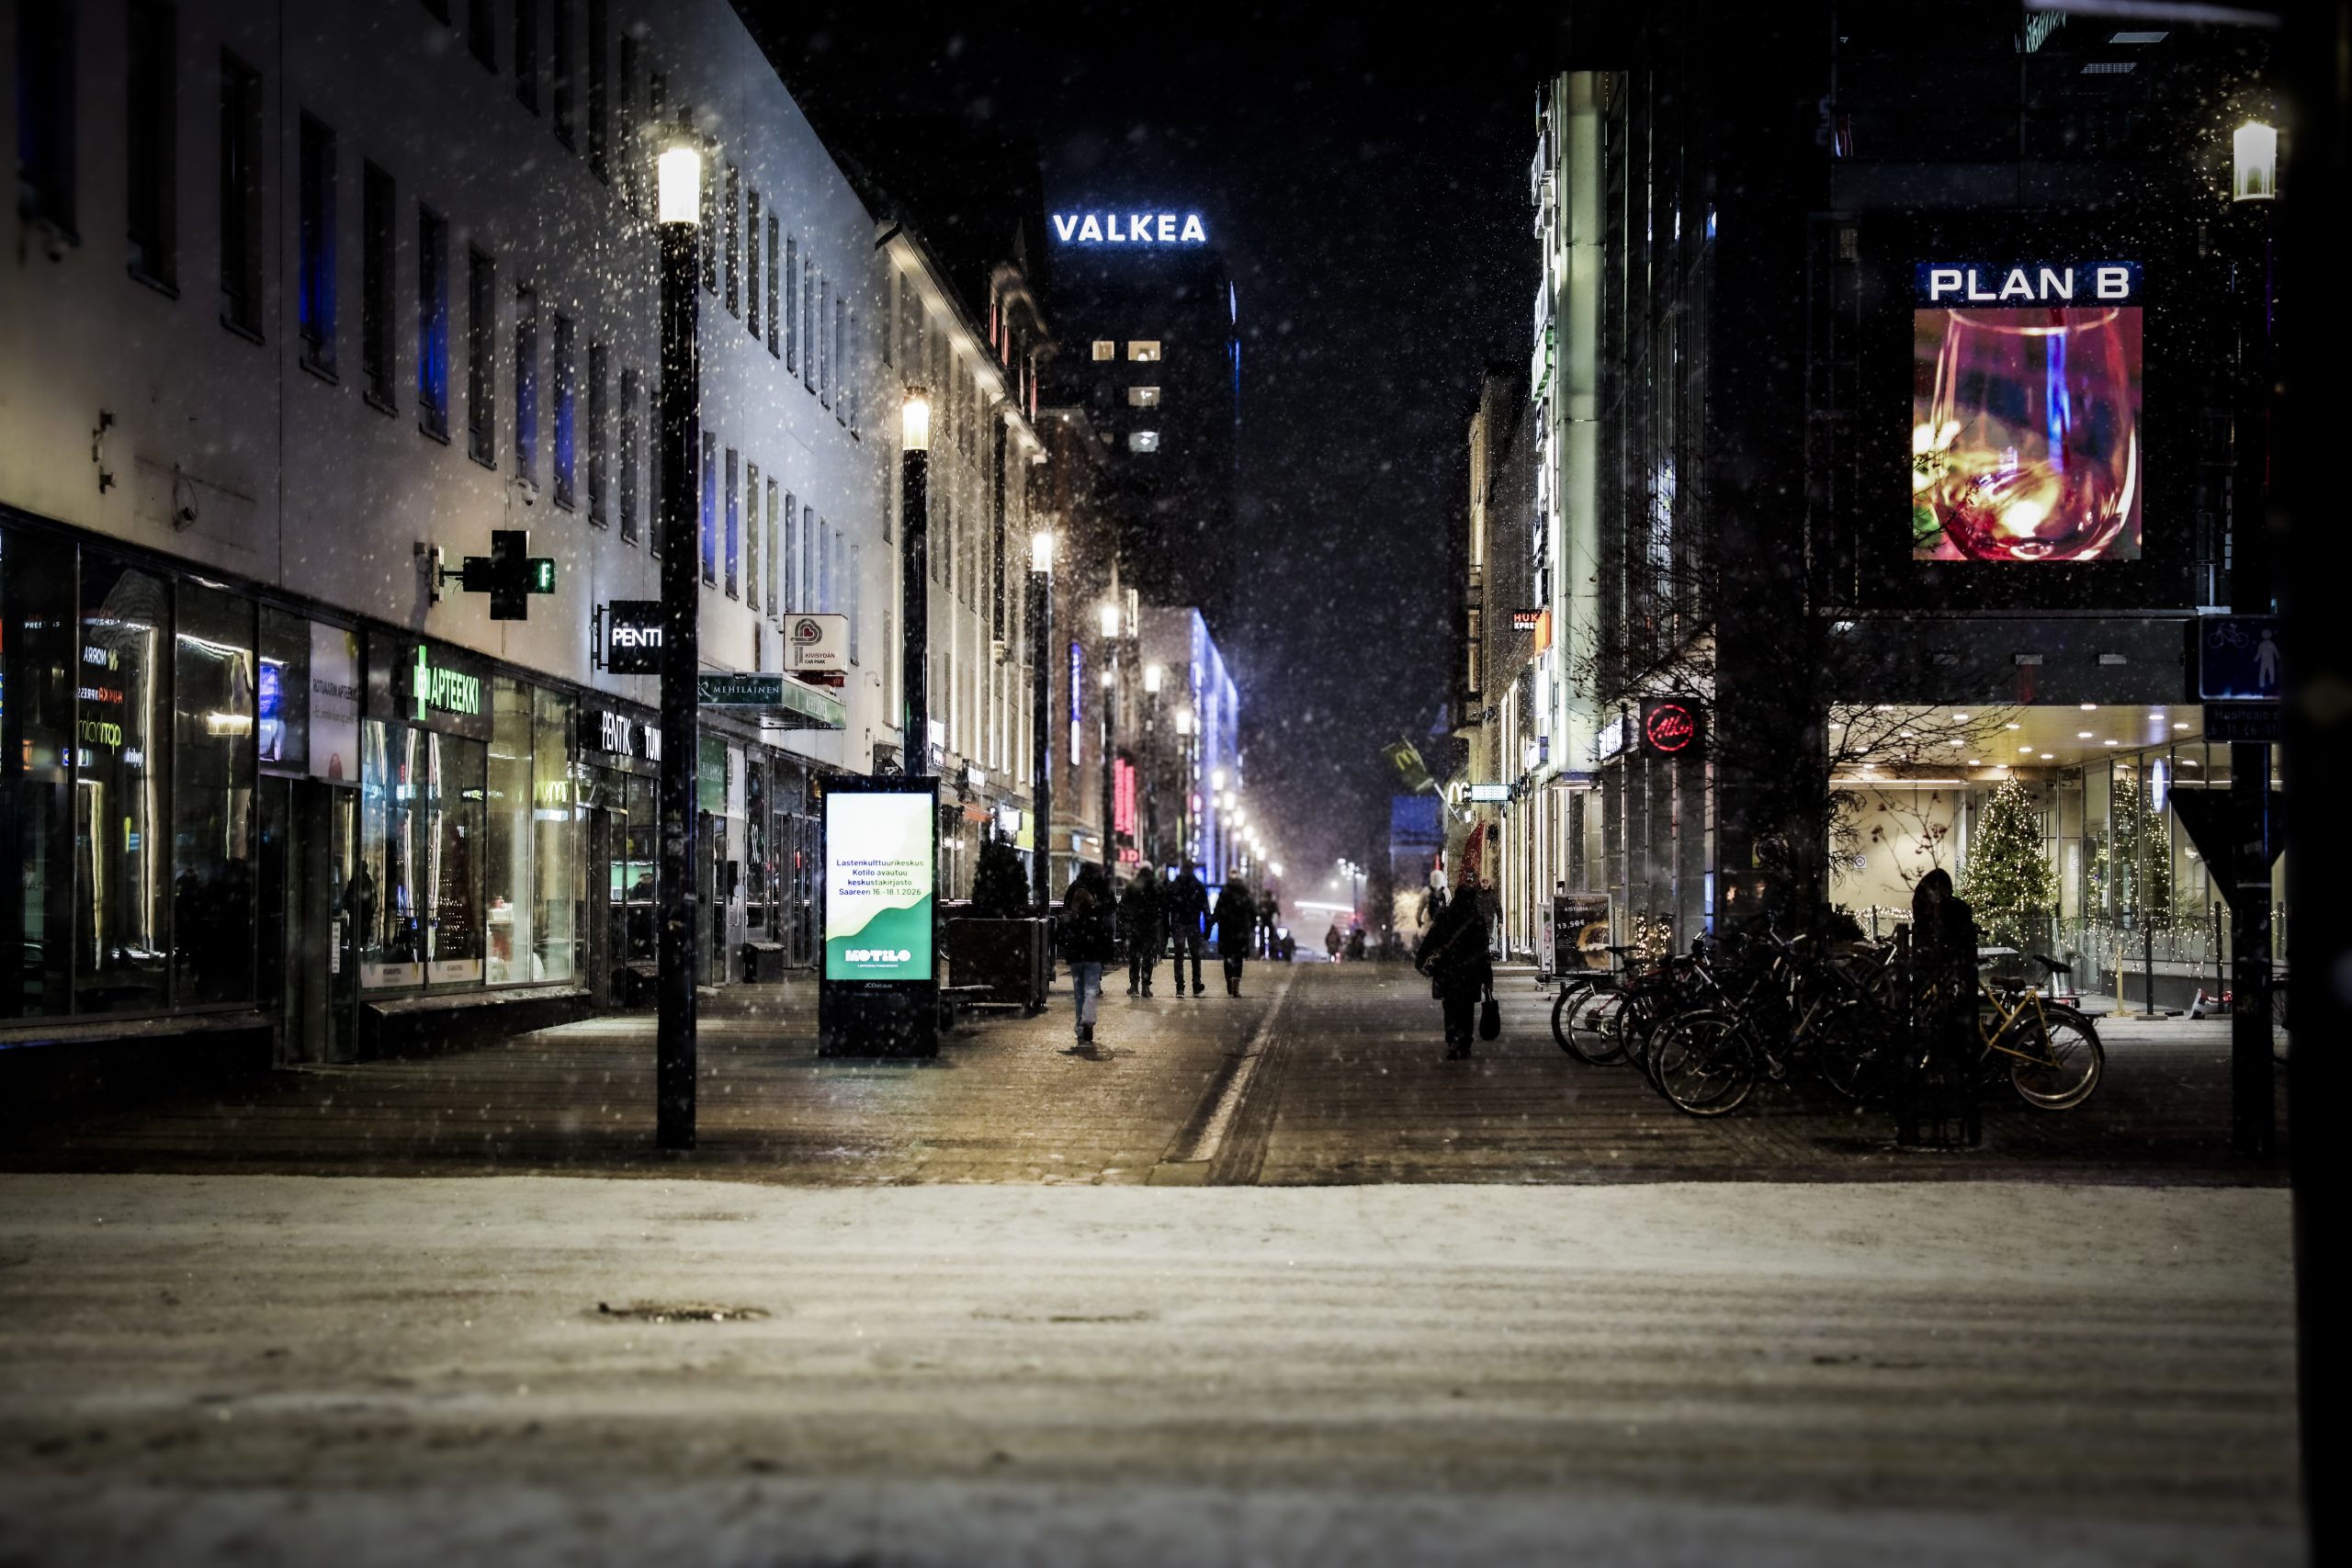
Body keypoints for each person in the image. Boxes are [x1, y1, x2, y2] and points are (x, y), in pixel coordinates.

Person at [1417, 866, 1495, 1059]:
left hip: (1448, 972)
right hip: (1470, 972)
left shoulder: (1446, 917)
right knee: (1467, 1009)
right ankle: (1465, 1043)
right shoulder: (1476, 921)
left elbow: (1430, 941)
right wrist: (1487, 977)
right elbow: (1484, 951)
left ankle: (1453, 1042)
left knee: (1450, 1008)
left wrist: (1421, 961)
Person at [1059, 863, 1116, 1048]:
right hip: (1093, 952)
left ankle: (1080, 1027)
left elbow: (1064, 916)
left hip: (1077, 953)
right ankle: (1088, 1020)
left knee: (1079, 992)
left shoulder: (1075, 887)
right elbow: (1108, 918)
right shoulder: (1101, 892)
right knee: (1090, 989)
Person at [1121, 862, 1164, 998]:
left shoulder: (1132, 885)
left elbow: (1123, 906)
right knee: (1148, 956)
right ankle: (1146, 987)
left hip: (1135, 926)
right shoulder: (1156, 885)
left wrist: (1127, 922)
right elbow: (1163, 906)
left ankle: (1134, 986)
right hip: (1151, 926)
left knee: (1134, 956)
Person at [1167, 859, 1209, 996]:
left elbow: (1167, 906)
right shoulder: (1198, 886)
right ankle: (1196, 984)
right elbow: (1206, 909)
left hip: (1178, 923)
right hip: (1193, 924)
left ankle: (1180, 987)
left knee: (1179, 955)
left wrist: (1167, 926)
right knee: (1195, 954)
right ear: (1193, 869)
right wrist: (1207, 930)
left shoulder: (1174, 885)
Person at [1211, 878, 1256, 997]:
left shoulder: (1224, 893)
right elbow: (1253, 912)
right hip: (1240, 932)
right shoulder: (1245, 894)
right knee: (1238, 958)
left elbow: (1217, 911)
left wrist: (1212, 921)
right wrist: (1252, 926)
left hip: (1226, 931)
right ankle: (1236, 984)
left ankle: (1229, 980)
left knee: (1227, 957)